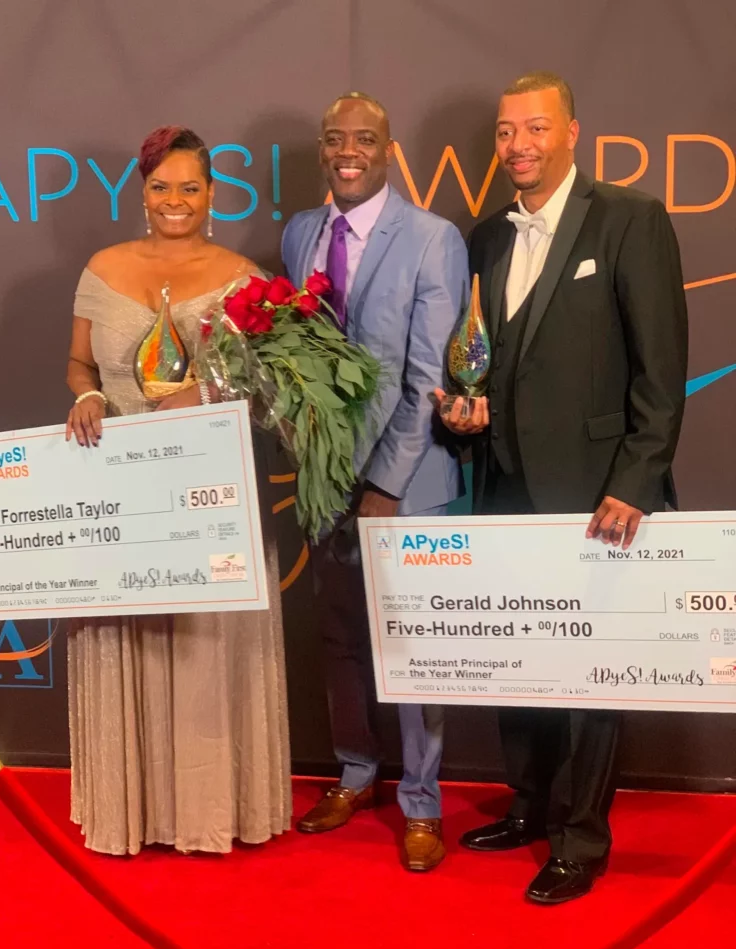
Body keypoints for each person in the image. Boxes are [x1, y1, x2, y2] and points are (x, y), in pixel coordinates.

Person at [436, 72, 688, 903]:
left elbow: (661, 372)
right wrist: (466, 416)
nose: (518, 146)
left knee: (590, 679)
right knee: (521, 660)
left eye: (535, 130)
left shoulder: (631, 220)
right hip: (504, 484)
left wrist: (637, 482)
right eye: (507, 132)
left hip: (598, 493)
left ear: (573, 133)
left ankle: (581, 838)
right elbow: (488, 364)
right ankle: (532, 808)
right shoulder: (483, 240)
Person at [65, 126, 291, 855]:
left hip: (208, 493)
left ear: (212, 196)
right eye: (161, 187)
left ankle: (208, 808)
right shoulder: (101, 269)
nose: (174, 201)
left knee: (202, 646)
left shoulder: (242, 275)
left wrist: (208, 388)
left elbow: (266, 381)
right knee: (130, 636)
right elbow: (78, 364)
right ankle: (128, 804)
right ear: (142, 193)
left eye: (189, 187)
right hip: (119, 493)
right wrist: (86, 398)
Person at [282, 92, 469, 872]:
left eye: (364, 139)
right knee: (340, 641)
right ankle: (356, 773)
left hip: (409, 485)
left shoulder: (433, 240)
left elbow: (428, 376)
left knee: (415, 651)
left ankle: (421, 802)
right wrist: (320, 467)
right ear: (323, 150)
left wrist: (385, 486)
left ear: (388, 150)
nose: (347, 150)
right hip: (325, 483)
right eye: (334, 139)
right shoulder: (299, 233)